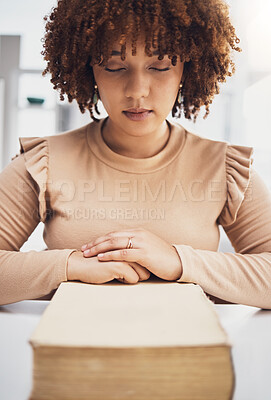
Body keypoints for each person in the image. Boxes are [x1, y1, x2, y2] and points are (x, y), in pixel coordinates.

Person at [0, 0, 271, 308]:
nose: (137, 90)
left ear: (188, 67)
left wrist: (179, 261)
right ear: (89, 70)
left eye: (160, 66)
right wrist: (69, 265)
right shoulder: (41, 164)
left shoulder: (226, 169)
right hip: (74, 350)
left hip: (187, 352)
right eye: (114, 67)